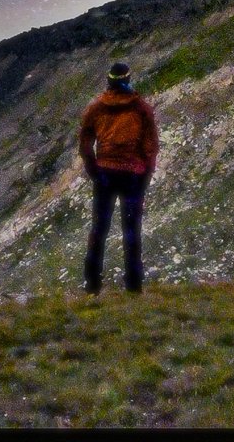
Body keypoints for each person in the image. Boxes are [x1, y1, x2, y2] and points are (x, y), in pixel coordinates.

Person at [78, 61, 159, 294]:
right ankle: (133, 287)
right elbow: (150, 144)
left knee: (99, 229)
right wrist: (147, 171)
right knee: (131, 230)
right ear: (128, 79)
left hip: (105, 173)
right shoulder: (141, 108)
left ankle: (92, 286)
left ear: (108, 80)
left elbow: (85, 144)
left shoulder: (95, 107)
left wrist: (94, 170)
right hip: (133, 174)